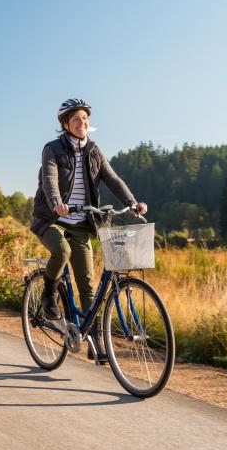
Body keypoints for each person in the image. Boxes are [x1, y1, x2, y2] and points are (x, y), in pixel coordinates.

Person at [30, 98, 148, 362]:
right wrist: (57, 204)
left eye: (85, 119)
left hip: (82, 223)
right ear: (65, 124)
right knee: (61, 252)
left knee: (87, 286)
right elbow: (49, 179)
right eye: (76, 120)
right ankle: (48, 297)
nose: (82, 123)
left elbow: (113, 179)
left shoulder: (94, 151)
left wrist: (131, 203)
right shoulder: (52, 149)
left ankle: (96, 344)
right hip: (52, 219)